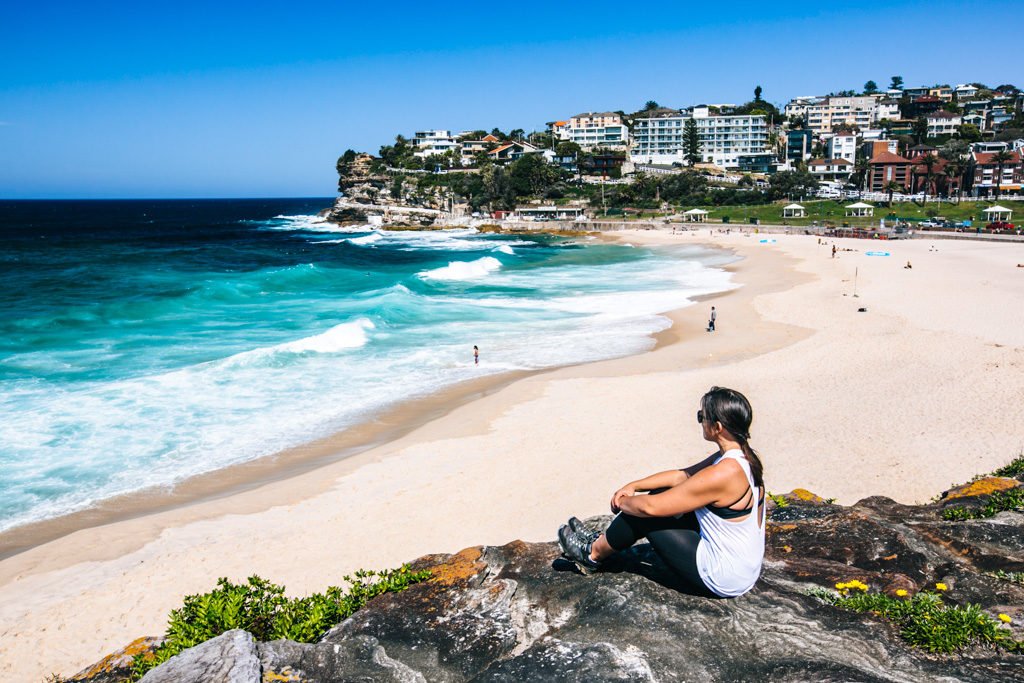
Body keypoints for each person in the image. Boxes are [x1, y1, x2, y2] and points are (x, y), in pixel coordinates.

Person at [557, 387, 766, 598]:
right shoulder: (741, 458)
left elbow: (650, 508)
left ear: (718, 427)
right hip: (741, 569)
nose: (700, 421)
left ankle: (592, 554)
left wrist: (624, 503)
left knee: (644, 514)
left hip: (723, 576)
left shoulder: (723, 472)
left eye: (701, 416)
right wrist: (634, 486)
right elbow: (681, 477)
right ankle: (603, 540)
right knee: (660, 493)